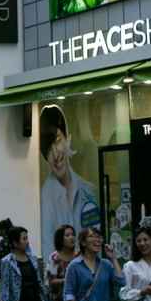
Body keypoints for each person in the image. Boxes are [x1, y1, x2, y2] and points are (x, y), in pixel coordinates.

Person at [39, 105, 101, 245]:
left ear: (68, 139)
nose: (55, 154)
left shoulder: (89, 190)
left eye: (58, 141)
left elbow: (97, 239)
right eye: (48, 149)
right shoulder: (44, 199)